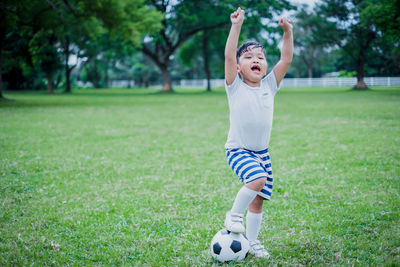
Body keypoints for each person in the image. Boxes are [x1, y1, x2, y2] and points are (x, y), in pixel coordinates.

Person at [223, 7, 293, 258]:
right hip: (238, 149)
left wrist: (288, 31)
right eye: (249, 57)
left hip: (262, 153)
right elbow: (229, 56)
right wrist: (236, 25)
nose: (256, 60)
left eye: (260, 57)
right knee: (257, 180)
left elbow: (285, 59)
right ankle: (232, 216)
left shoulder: (269, 84)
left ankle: (251, 242)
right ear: (239, 68)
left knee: (258, 199)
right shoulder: (235, 86)